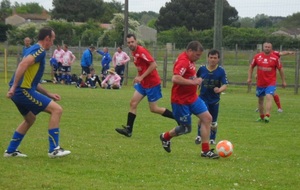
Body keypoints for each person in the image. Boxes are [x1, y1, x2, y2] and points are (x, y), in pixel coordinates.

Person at [4, 27, 71, 158]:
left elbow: (31, 80)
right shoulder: (39, 51)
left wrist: (48, 93)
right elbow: (23, 64)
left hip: (20, 90)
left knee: (30, 119)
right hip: (22, 91)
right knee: (56, 110)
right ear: (47, 39)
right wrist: (14, 87)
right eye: (52, 40)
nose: (52, 43)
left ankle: (10, 151)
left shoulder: (32, 49)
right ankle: (54, 150)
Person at [159, 41, 219, 159]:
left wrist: (195, 79)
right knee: (185, 129)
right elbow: (175, 78)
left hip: (193, 98)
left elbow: (188, 76)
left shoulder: (190, 60)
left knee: (207, 118)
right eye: (197, 55)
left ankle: (205, 151)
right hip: (180, 101)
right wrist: (193, 82)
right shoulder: (183, 61)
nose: (198, 57)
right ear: (190, 51)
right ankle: (165, 137)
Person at [115, 33, 174, 137]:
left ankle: (177, 117)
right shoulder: (134, 53)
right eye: (128, 42)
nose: (130, 44)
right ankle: (129, 130)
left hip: (152, 83)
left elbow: (153, 65)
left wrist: (141, 77)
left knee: (154, 109)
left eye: (132, 42)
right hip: (143, 84)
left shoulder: (141, 51)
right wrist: (138, 76)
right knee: (133, 103)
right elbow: (141, 67)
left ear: (136, 41)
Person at [194, 49, 228, 145]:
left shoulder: (221, 71)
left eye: (215, 58)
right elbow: (195, 80)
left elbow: (225, 84)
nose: (213, 60)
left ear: (218, 59)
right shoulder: (202, 69)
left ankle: (212, 138)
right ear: (208, 58)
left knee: (213, 121)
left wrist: (219, 90)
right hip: (202, 98)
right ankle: (199, 135)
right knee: (202, 118)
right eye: (211, 57)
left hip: (214, 100)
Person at [247, 42, 286, 123]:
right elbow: (251, 66)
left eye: (269, 47)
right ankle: (261, 117)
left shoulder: (275, 58)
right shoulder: (257, 57)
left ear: (271, 48)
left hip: (270, 83)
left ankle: (267, 116)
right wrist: (249, 77)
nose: (267, 48)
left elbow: (281, 69)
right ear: (263, 47)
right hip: (260, 83)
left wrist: (283, 81)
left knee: (269, 96)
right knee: (260, 100)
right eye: (265, 47)